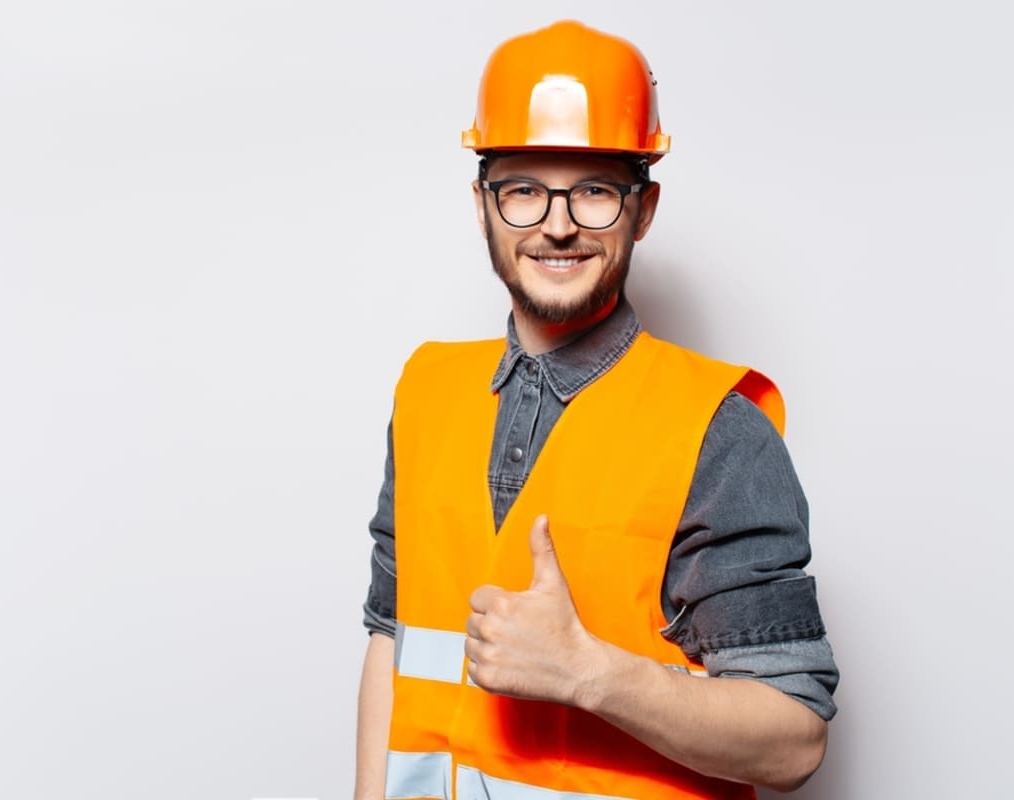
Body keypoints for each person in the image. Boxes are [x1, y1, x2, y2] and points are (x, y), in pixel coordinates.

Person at [355, 19, 838, 800]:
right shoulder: (427, 392)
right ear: (482, 205)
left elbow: (794, 741)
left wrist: (590, 674)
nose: (556, 223)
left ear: (642, 211)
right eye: (522, 189)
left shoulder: (718, 429)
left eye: (593, 190)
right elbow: (392, 642)